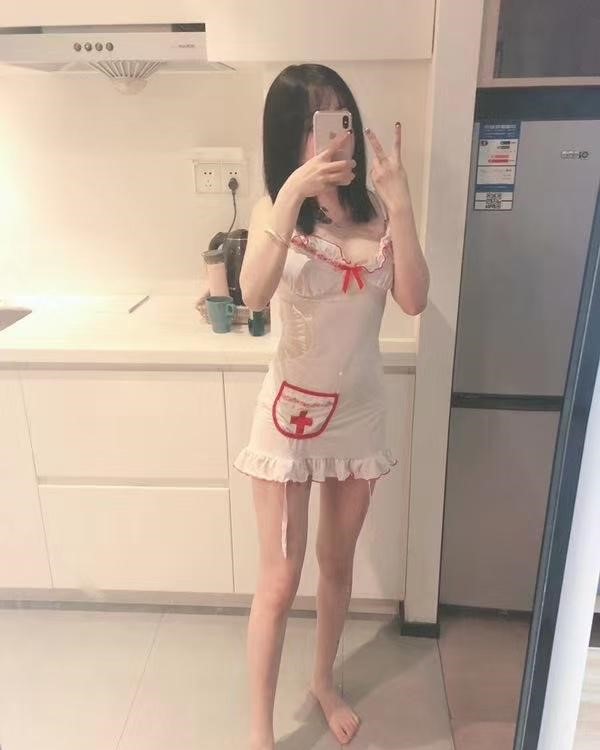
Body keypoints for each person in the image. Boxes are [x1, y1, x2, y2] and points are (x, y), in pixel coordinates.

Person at [235, 64, 429, 749]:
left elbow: (413, 300)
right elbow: (253, 295)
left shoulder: (378, 209)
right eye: (316, 122)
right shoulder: (274, 208)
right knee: (280, 579)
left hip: (358, 412)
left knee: (337, 564)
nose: (333, 136)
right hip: (288, 415)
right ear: (291, 135)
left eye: (340, 116)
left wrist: (401, 204)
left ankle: (323, 680)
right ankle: (260, 733)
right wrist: (292, 192)